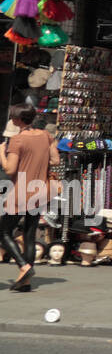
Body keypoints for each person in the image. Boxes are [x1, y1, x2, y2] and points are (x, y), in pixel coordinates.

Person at [0, 104, 60, 291]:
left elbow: (9, 169)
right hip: (40, 190)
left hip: (21, 192)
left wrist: (1, 153)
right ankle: (25, 282)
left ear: (17, 120)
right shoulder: (45, 136)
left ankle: (24, 266)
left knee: (3, 232)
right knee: (29, 234)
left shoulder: (17, 141)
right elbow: (55, 160)